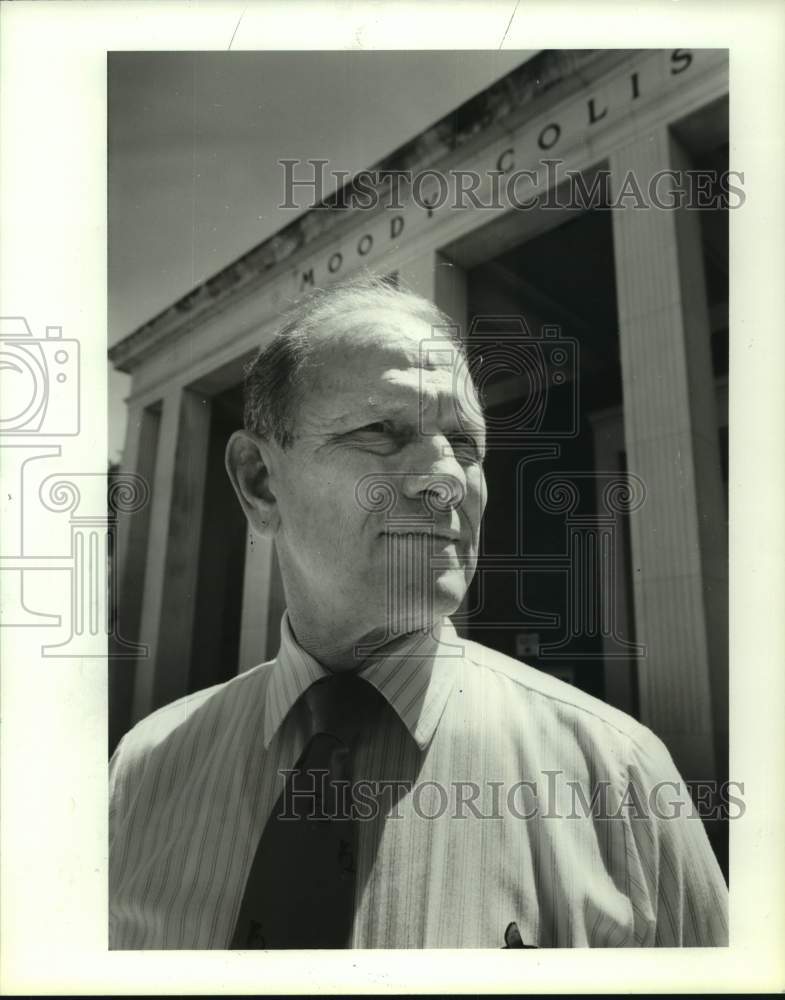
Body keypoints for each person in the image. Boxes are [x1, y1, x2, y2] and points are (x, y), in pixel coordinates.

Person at [109, 274, 728, 949]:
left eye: (465, 445)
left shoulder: (620, 773)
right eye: (382, 430)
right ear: (260, 483)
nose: (447, 478)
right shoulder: (144, 766)